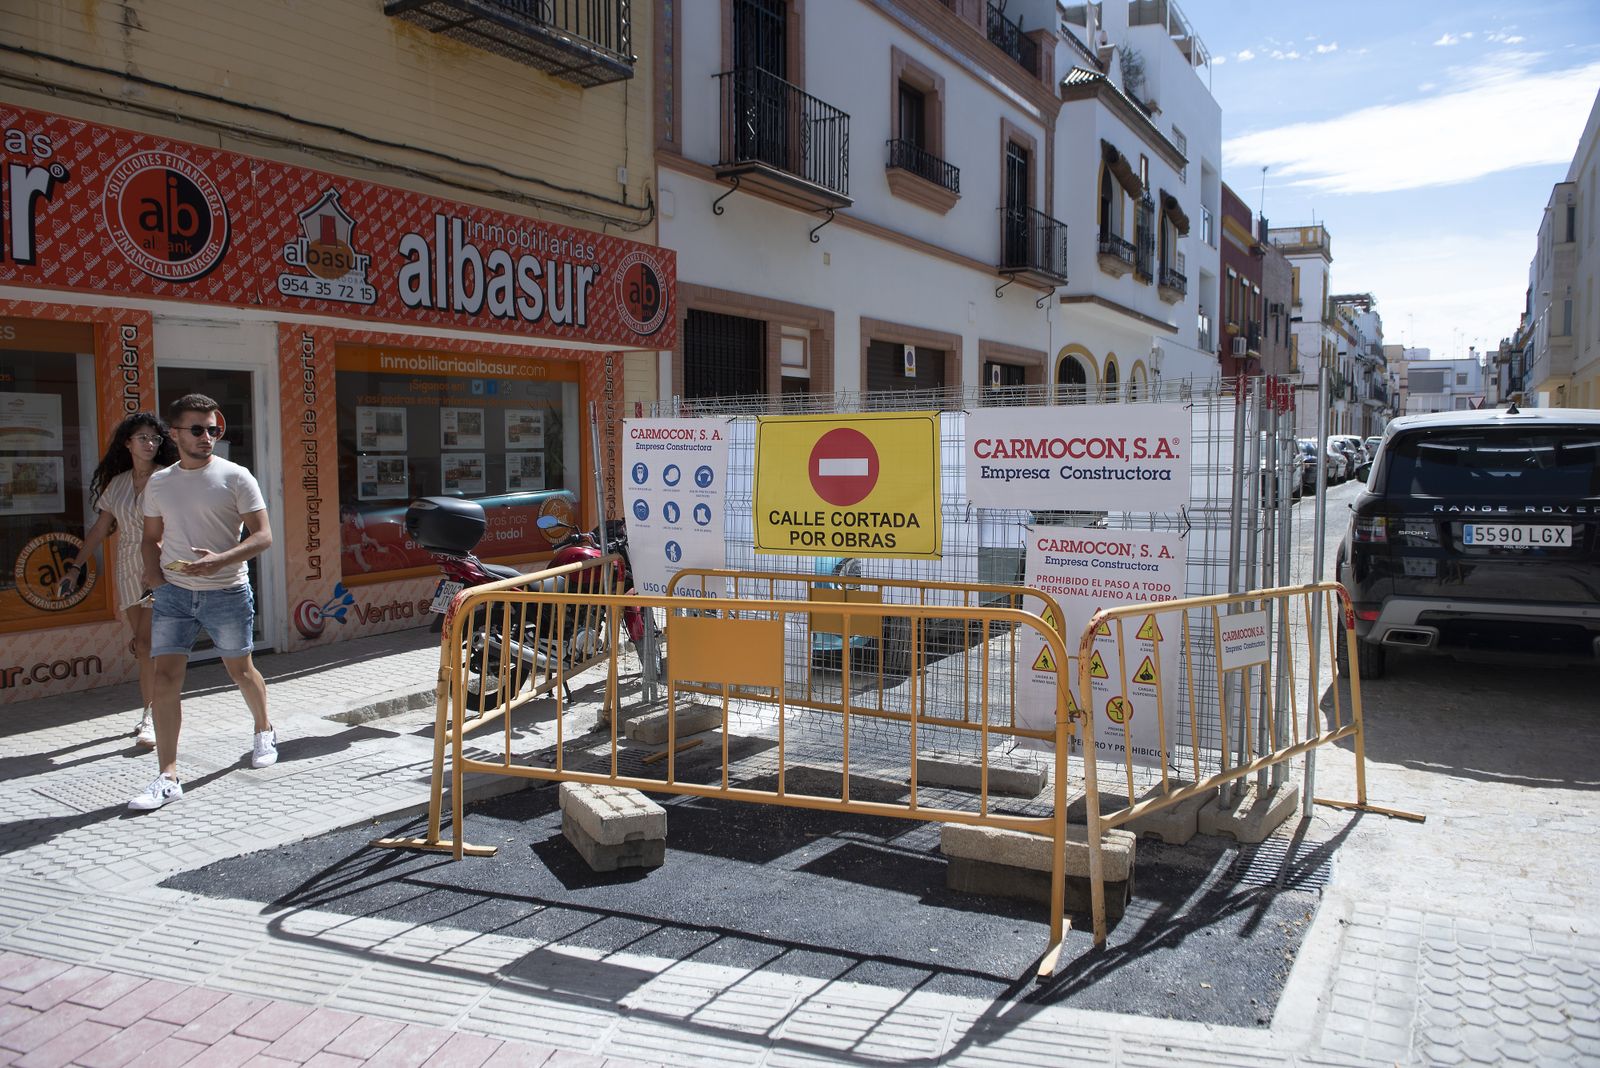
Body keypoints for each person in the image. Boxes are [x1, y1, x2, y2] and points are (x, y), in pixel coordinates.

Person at [129, 394, 277, 811]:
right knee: (165, 679)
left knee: (240, 671)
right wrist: (155, 577)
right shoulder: (159, 483)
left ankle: (264, 728)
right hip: (174, 593)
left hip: (227, 591)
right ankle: (168, 776)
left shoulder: (236, 477)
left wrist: (222, 561)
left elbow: (263, 536)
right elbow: (149, 538)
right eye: (197, 429)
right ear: (174, 434)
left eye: (213, 429)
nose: (207, 437)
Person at [59, 412, 179, 748]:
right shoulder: (119, 483)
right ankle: (153, 708)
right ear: (127, 443)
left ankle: (151, 719)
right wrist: (75, 567)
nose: (150, 443)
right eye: (142, 438)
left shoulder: (168, 478)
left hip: (160, 567)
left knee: (145, 644)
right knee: (144, 649)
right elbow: (101, 528)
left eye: (155, 438)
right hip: (126, 568)